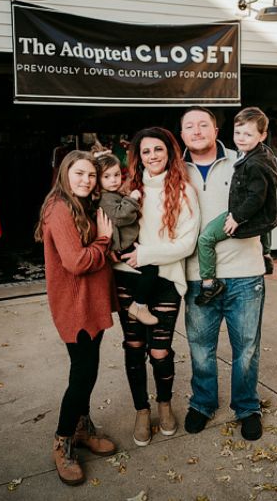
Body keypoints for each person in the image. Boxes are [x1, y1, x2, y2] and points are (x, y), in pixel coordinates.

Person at [180, 106, 268, 441]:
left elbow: (274, 201)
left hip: (245, 272)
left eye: (204, 124)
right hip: (196, 274)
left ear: (217, 129)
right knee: (201, 347)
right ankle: (202, 404)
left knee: (246, 347)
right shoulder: (175, 169)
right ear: (182, 133)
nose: (197, 130)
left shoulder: (245, 158)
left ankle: (247, 407)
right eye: (190, 126)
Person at [34, 150, 118, 486]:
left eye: (91, 175)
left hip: (91, 302)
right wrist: (104, 240)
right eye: (79, 174)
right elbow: (77, 262)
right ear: (65, 174)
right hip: (75, 306)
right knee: (82, 373)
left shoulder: (81, 204)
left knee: (90, 367)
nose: (86, 180)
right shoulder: (58, 208)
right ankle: (63, 439)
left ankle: (82, 427)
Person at [113, 127, 200, 447]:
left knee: (160, 350)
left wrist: (145, 254)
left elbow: (187, 243)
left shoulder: (184, 191)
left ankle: (164, 406)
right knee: (133, 346)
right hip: (127, 275)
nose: (152, 156)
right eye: (146, 151)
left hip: (164, 278)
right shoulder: (126, 188)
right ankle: (141, 410)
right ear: (138, 157)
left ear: (170, 152)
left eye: (158, 150)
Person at [193, 107, 277, 305]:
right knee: (265, 224)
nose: (241, 138)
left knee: (206, 239)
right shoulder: (262, 154)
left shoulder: (254, 164)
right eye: (237, 132)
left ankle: (209, 284)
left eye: (248, 134)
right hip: (262, 213)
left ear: (262, 135)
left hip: (241, 210)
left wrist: (236, 217)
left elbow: (256, 197)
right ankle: (266, 254)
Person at [93, 151, 159, 325]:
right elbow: (121, 217)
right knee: (151, 270)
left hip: (127, 242)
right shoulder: (105, 199)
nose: (113, 180)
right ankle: (138, 305)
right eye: (106, 176)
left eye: (116, 175)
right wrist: (132, 199)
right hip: (121, 246)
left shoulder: (112, 194)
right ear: (98, 180)